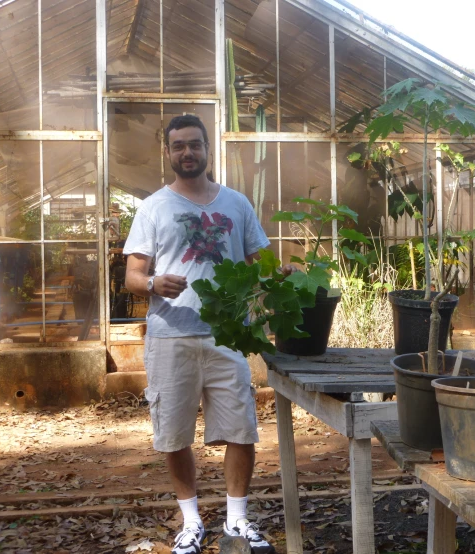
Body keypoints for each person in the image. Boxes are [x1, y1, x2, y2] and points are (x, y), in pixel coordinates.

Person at [124, 114, 278, 554]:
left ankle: (237, 520)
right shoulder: (154, 207)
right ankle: (190, 522)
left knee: (241, 429)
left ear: (208, 150)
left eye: (194, 144)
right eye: (178, 146)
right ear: (168, 153)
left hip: (228, 335)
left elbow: (258, 264)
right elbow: (133, 274)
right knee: (173, 433)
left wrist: (279, 275)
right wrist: (153, 283)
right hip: (171, 334)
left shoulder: (236, 203)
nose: (187, 152)